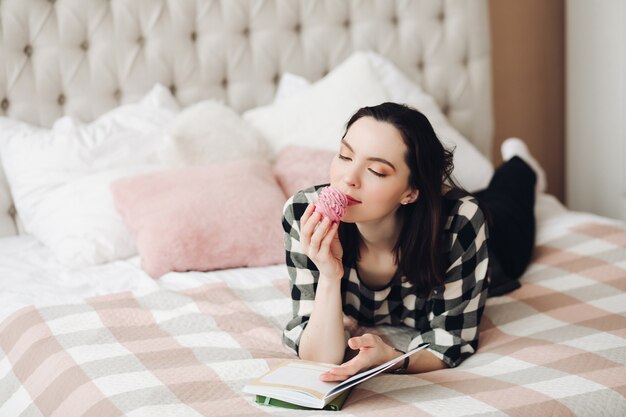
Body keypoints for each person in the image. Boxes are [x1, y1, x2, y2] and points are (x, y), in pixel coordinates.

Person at [281, 102, 545, 381]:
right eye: (346, 156)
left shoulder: (461, 223)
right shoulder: (304, 214)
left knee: (510, 197)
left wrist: (392, 360)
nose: (348, 179)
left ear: (410, 192)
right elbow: (319, 358)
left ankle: (521, 163)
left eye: (377, 171)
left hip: (493, 243)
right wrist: (329, 275)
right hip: (426, 207)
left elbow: (450, 341)